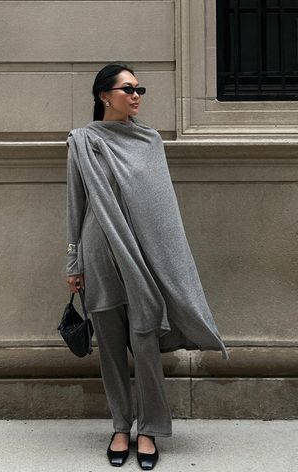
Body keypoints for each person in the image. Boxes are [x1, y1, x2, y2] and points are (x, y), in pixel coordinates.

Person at [65, 62, 229, 470]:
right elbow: (76, 206)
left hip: (142, 255)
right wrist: (74, 260)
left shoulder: (150, 140)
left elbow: (162, 210)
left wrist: (164, 261)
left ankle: (152, 428)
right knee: (109, 345)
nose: (136, 95)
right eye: (127, 88)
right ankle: (121, 426)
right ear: (104, 95)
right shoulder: (82, 141)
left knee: (145, 340)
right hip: (100, 253)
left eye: (140, 88)